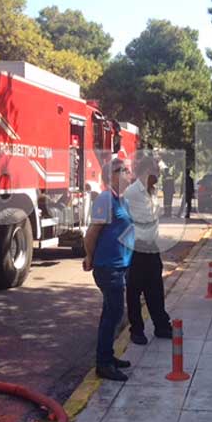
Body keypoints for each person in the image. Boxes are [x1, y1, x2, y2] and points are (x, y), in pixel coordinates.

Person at [83, 158, 135, 382]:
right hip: (108, 268)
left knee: (111, 313)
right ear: (112, 175)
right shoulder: (105, 198)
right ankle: (103, 363)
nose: (128, 174)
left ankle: (107, 356)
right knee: (114, 313)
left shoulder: (121, 199)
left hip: (120, 266)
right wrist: (89, 256)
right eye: (124, 170)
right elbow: (91, 233)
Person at [124, 157, 173, 345]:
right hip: (136, 249)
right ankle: (137, 330)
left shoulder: (153, 192)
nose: (159, 175)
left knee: (156, 289)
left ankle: (161, 326)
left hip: (152, 248)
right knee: (134, 291)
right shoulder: (131, 193)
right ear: (146, 172)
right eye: (156, 171)